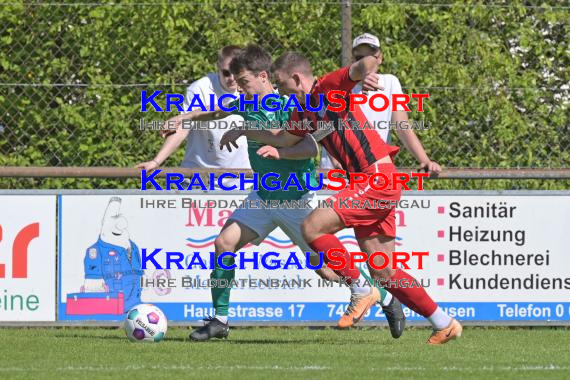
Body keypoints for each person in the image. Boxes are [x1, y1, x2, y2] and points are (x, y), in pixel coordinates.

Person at [221, 51, 462, 345]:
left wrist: (371, 61)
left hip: (375, 177)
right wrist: (246, 130)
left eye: (282, 84)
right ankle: (443, 322)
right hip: (372, 182)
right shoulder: (304, 111)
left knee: (312, 226)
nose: (280, 91)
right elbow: (285, 139)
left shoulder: (328, 88)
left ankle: (361, 290)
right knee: (384, 271)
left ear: (297, 79)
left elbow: (359, 68)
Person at [136, 45, 250, 188]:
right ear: (218, 67)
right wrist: (156, 161)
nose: (232, 78)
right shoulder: (200, 88)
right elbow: (183, 127)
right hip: (198, 178)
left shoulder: (250, 88)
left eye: (236, 72)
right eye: (226, 73)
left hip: (243, 180)